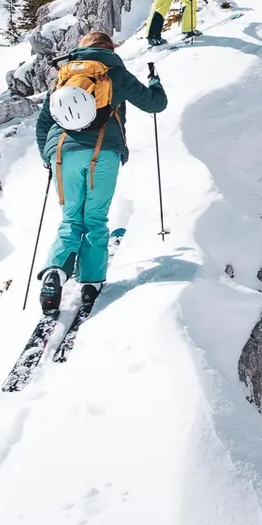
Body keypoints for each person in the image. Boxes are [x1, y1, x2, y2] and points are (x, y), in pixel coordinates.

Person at [33, 30, 168, 317]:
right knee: (94, 219)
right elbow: (155, 104)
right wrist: (155, 82)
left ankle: (55, 272)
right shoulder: (115, 72)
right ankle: (91, 283)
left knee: (71, 218)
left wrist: (47, 155)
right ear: (110, 48)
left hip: (61, 153)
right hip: (101, 153)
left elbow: (44, 120)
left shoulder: (64, 74)